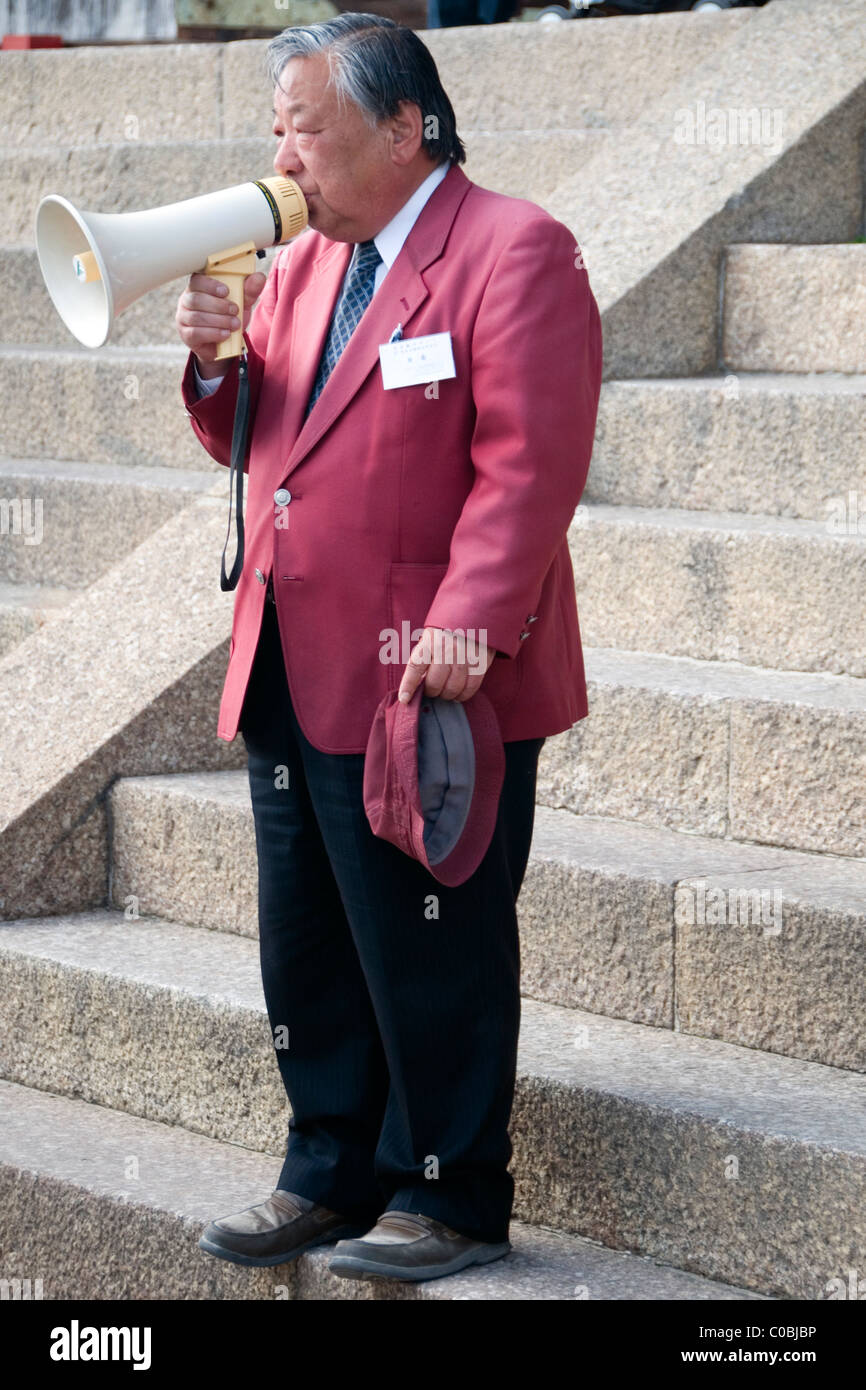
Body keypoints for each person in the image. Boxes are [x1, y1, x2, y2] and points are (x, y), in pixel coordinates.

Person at [175, 12, 602, 1284]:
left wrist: (470, 618)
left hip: (429, 671)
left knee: (433, 934)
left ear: (404, 127)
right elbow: (262, 440)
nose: (284, 156)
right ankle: (327, 1167)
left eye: (305, 128)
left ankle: (448, 1189)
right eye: (278, 130)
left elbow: (527, 465)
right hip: (292, 658)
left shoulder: (512, 248)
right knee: (304, 936)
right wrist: (213, 366)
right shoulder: (302, 264)